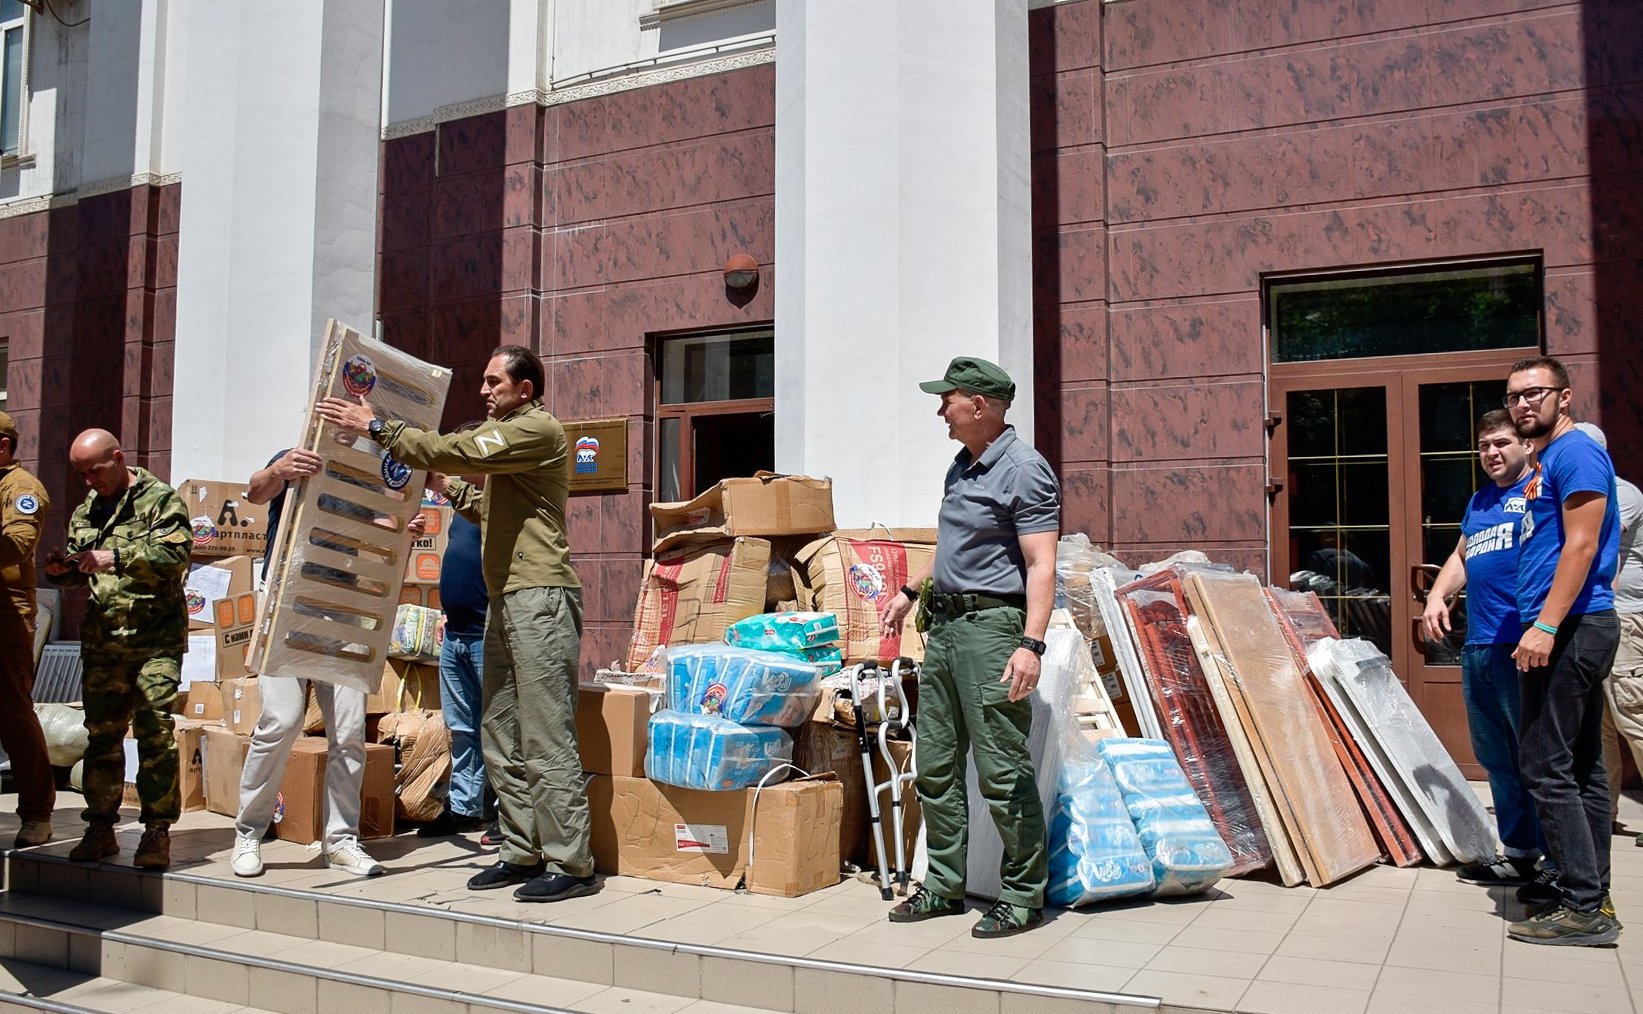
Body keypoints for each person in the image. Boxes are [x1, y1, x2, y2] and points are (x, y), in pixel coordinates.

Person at [316, 344, 591, 903]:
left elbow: (460, 450)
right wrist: (440, 482)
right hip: (508, 601)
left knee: (544, 733)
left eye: (494, 382)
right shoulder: (514, 452)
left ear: (524, 389)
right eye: (483, 381)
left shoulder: (536, 429)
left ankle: (571, 862)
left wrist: (379, 426)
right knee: (498, 731)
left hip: (540, 599)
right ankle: (520, 849)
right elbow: (485, 504)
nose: (484, 390)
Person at [879, 356, 1059, 939]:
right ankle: (943, 887)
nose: (941, 412)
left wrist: (1031, 644)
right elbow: (950, 545)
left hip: (992, 632)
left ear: (979, 405)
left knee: (1002, 771)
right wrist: (911, 589)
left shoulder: (1025, 470)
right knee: (934, 765)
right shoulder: (962, 467)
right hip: (948, 630)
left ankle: (1024, 896)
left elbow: (1040, 564)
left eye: (947, 400)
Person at [228, 447, 406, 878]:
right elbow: (254, 492)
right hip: (288, 601)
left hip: (341, 608)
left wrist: (401, 526)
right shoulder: (298, 453)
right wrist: (277, 470)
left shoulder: (363, 471)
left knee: (348, 731)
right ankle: (248, 832)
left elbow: (381, 525)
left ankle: (341, 841)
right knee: (283, 719)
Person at [1501, 356, 1623, 947]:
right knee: (1580, 767)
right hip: (1569, 626)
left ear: (1564, 397)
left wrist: (1545, 626)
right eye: (1515, 396)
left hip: (1573, 627)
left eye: (1535, 393)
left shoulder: (1575, 454)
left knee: (1544, 764)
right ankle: (1590, 892)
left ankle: (1583, 905)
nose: (1524, 404)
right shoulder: (1544, 461)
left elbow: (1581, 546)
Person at [45, 429, 189, 868]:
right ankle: (101, 828)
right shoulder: (86, 510)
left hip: (155, 639)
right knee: (102, 739)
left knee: (155, 733)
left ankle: (156, 833)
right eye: (81, 474)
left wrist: (117, 556)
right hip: (104, 641)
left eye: (94, 470)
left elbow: (176, 557)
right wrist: (61, 572)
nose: (88, 480)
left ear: (118, 458)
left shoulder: (161, 500)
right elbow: (82, 570)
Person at [1421, 409, 1547, 885]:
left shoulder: (1539, 493)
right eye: (1484, 446)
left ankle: (1558, 864)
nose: (1492, 453)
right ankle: (1519, 852)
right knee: (1496, 755)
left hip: (1524, 644)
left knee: (1535, 758)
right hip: (1479, 645)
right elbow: (1462, 552)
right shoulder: (1480, 502)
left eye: (1502, 443)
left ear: (1525, 445)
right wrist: (1438, 594)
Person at [1572, 424, 1643, 840]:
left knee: (1632, 715)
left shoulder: (1621, 492)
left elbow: (1598, 549)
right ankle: (1604, 811)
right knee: (1598, 726)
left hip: (1626, 619)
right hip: (1599, 619)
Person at [418, 465, 492, 839]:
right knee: (463, 728)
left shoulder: (496, 501)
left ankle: (505, 813)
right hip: (456, 633)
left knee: (497, 728)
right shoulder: (460, 510)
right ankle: (465, 807)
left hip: (487, 635)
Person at [0, 412, 58, 848]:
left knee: (12, 712)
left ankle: (37, 812)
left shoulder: (22, 489)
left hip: (6, 614)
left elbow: (18, 543)